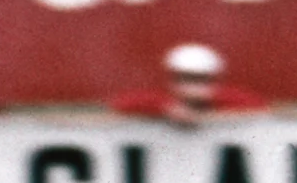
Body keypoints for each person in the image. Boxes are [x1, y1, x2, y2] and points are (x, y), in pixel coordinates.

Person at [109, 41, 272, 126]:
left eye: (200, 79)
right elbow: (121, 104)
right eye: (186, 78)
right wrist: (165, 108)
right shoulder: (162, 101)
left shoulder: (225, 101)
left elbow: (259, 106)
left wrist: (211, 99)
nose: (192, 86)